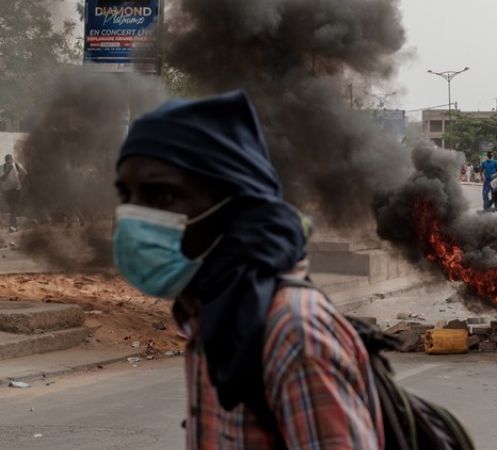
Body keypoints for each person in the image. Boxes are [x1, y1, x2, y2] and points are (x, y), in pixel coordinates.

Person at [113, 92, 383, 448]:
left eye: (162, 196)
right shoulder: (211, 316)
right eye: (125, 195)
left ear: (233, 206)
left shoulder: (291, 334)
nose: (133, 216)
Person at [1, 154, 28, 232]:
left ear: (12, 159)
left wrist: (20, 181)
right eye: (8, 160)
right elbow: (2, 179)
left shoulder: (16, 165)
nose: (9, 161)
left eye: (10, 159)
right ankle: (14, 226)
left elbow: (25, 173)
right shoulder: (2, 167)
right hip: (7, 190)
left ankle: (13, 226)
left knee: (13, 207)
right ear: (5, 160)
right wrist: (8, 170)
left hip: (16, 190)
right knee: (12, 208)